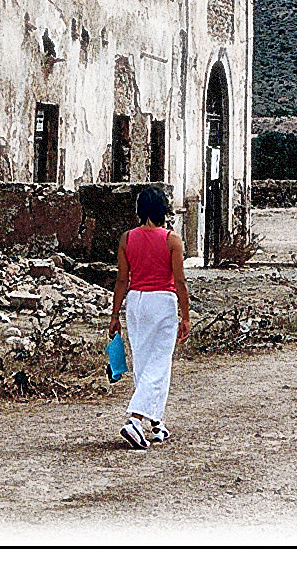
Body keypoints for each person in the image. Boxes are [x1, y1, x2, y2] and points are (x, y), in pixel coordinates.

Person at [107, 187, 191, 449]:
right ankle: (134, 419)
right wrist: (185, 316)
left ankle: (156, 422)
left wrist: (114, 314)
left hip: (136, 302)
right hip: (162, 301)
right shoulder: (171, 240)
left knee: (144, 361)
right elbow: (179, 281)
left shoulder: (127, 239)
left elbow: (122, 280)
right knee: (159, 363)